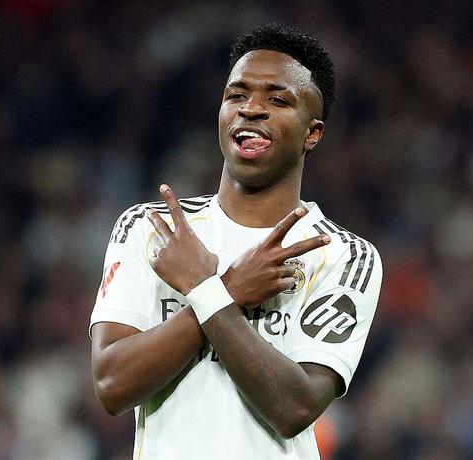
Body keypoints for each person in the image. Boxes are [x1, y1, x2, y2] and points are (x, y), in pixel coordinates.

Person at [90, 23, 382, 459]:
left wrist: (207, 290)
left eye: (278, 100)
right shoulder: (150, 228)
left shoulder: (342, 255)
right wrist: (228, 290)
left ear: (312, 133)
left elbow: (295, 407)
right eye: (236, 95)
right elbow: (112, 385)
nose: (251, 109)